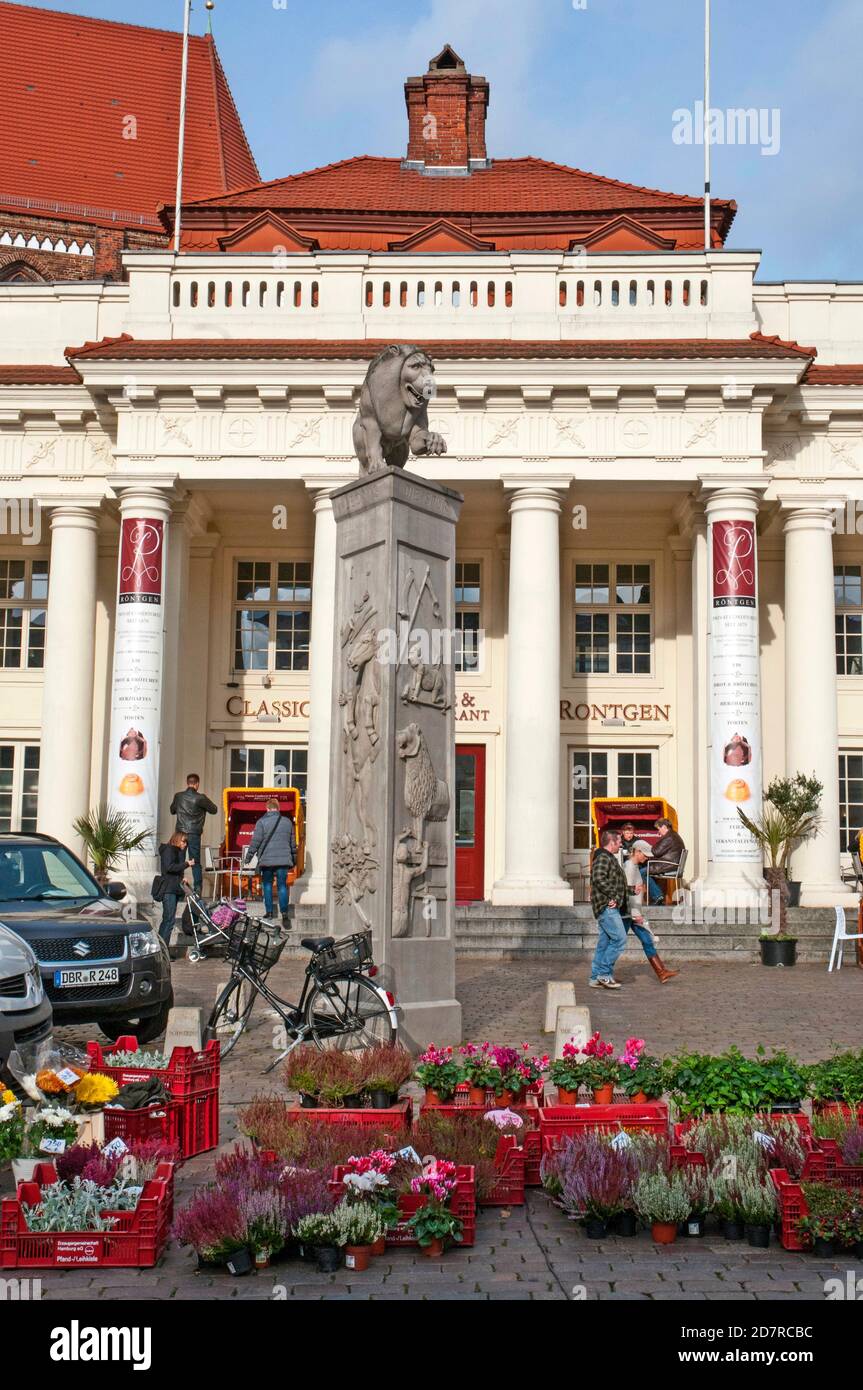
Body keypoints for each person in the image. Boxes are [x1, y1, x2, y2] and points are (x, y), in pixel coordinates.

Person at [622, 840, 679, 983]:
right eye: (645, 855)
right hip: (629, 913)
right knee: (616, 943)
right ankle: (603, 972)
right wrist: (636, 915)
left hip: (633, 912)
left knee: (647, 940)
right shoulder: (630, 868)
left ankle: (661, 972)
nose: (646, 858)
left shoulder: (633, 866)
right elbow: (628, 893)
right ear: (638, 852)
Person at [589, 827, 629, 990]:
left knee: (604, 945)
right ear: (611, 842)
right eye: (619, 842)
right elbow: (598, 878)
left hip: (607, 905)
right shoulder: (604, 857)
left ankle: (595, 978)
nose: (621, 845)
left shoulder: (608, 857)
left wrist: (631, 890)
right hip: (607, 907)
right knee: (620, 939)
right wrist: (613, 896)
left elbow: (614, 883)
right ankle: (604, 974)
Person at [247, 797, 297, 928]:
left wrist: (249, 856)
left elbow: (255, 841)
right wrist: (294, 857)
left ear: (267, 808)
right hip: (283, 859)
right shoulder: (287, 822)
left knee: (267, 885)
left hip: (267, 860)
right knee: (282, 886)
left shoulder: (261, 822)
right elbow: (293, 843)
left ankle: (269, 912)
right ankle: (285, 913)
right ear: (278, 808)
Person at [170, 773, 218, 896]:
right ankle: (197, 891)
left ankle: (178, 890)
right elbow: (214, 809)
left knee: (179, 861)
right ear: (197, 784)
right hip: (194, 834)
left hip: (180, 833)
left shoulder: (179, 796)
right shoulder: (200, 798)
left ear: (188, 783)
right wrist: (203, 804)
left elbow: (172, 810)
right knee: (195, 862)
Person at [157, 831, 191, 952]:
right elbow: (169, 867)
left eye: (186, 842)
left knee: (168, 919)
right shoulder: (169, 850)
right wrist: (186, 864)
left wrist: (182, 878)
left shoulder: (176, 851)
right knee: (169, 920)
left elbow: (174, 871)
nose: (185, 844)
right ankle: (163, 950)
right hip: (168, 890)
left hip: (173, 889)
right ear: (176, 840)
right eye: (183, 841)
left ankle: (162, 949)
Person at [647, 816, 686, 904]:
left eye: (659, 829)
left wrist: (656, 843)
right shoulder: (674, 835)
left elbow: (655, 851)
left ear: (664, 827)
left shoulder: (669, 838)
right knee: (649, 870)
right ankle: (658, 897)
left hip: (669, 865)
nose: (658, 832)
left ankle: (658, 896)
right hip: (673, 865)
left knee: (643, 871)